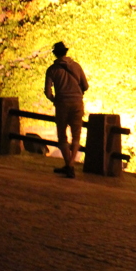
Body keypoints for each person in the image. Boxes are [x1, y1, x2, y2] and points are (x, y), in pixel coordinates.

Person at [45, 41, 89, 178]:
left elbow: (48, 92)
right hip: (77, 103)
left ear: (55, 54)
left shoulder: (52, 69)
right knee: (76, 135)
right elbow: (85, 86)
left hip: (62, 103)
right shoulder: (76, 66)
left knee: (62, 135)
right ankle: (70, 165)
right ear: (66, 52)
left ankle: (68, 165)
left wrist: (54, 100)